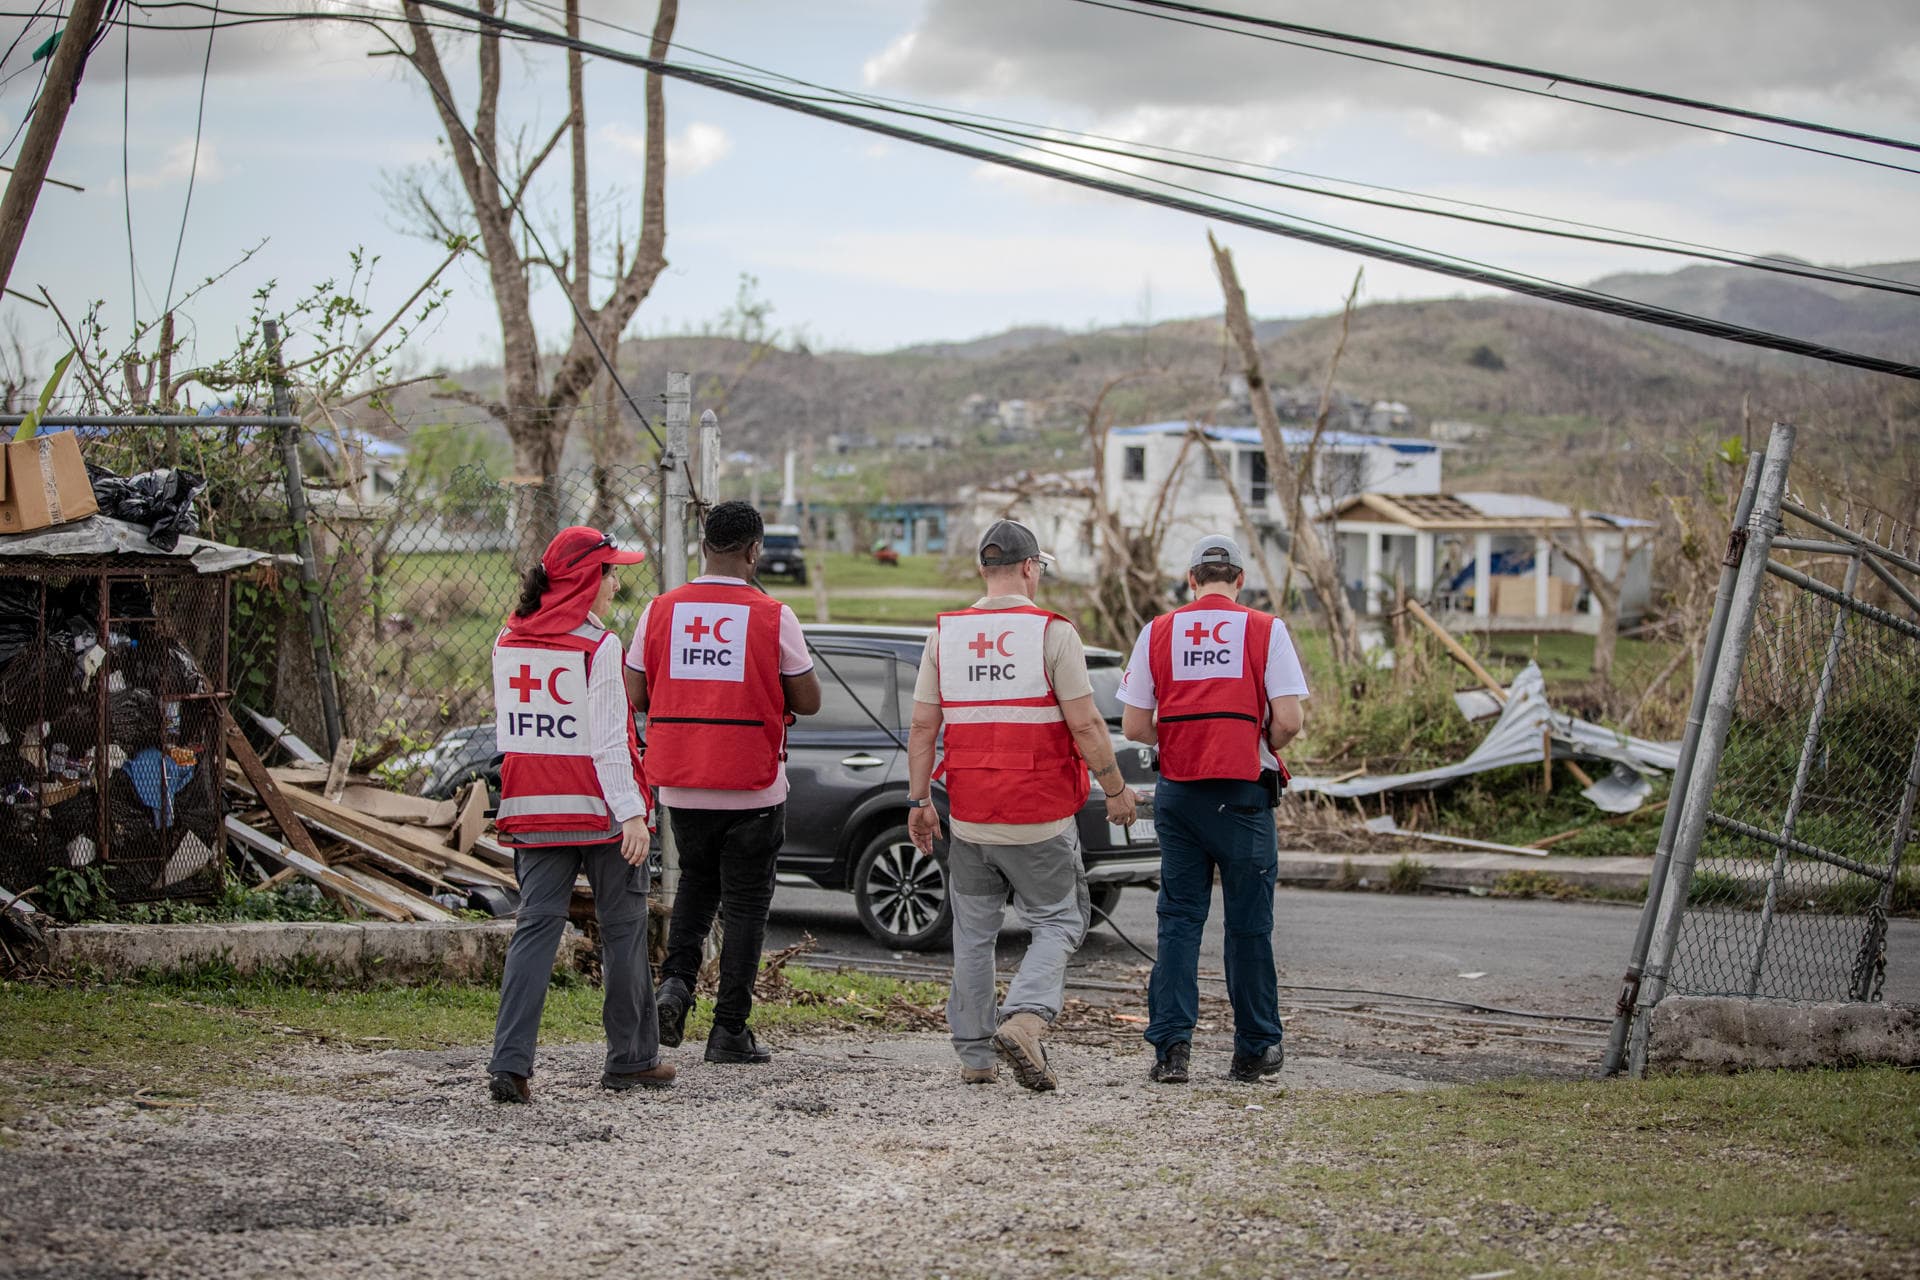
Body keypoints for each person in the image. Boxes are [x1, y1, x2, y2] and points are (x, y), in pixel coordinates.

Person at [906, 519, 1138, 1091]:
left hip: (972, 816)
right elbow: (1084, 723)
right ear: (1031, 568)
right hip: (1039, 816)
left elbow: (921, 726)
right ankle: (1028, 1019)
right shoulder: (1053, 633)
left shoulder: (946, 634)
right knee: (1061, 919)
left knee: (974, 934)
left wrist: (918, 801)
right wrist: (1115, 789)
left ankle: (975, 1058)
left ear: (983, 571)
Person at [625, 501, 821, 1065]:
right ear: (755, 550)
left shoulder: (660, 610)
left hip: (682, 781)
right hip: (752, 785)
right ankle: (729, 1029)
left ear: (704, 545)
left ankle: (674, 989)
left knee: (695, 886)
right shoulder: (772, 615)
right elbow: (806, 700)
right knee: (746, 906)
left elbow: (637, 694)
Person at [487, 525, 669, 1104]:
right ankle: (631, 1059)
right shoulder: (599, 646)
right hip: (599, 809)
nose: (617, 581)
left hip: (531, 807)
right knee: (623, 929)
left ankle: (510, 1065)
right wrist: (633, 814)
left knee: (534, 930)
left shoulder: (506, 640)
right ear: (588, 579)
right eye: (611, 572)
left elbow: (514, 731)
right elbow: (612, 742)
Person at [1119, 535, 1308, 1085]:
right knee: (1248, 927)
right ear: (1241, 579)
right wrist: (1250, 736)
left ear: (1191, 578)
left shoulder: (1157, 631)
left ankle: (1172, 1052)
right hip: (1243, 795)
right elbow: (1290, 721)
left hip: (1178, 794)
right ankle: (1254, 1050)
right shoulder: (1265, 629)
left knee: (1179, 920)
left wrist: (1183, 743)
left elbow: (1134, 726)